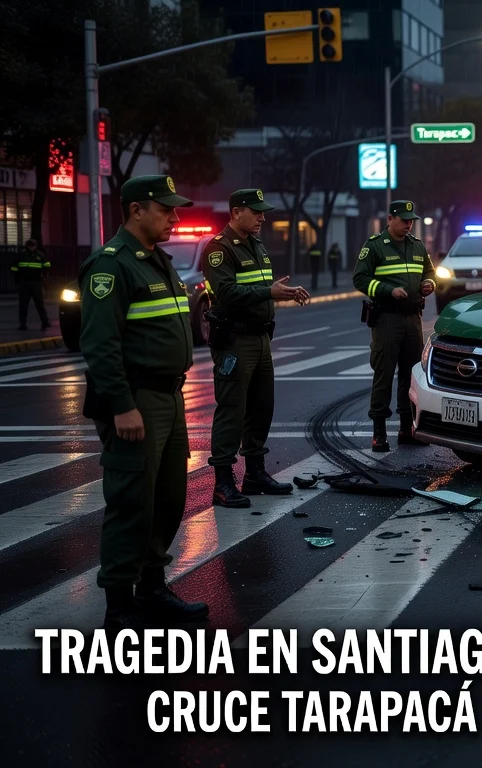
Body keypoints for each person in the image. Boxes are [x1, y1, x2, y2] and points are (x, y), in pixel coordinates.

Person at [79, 175, 207, 630]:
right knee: (132, 499)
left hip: (169, 397)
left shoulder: (158, 262)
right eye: (165, 209)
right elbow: (99, 345)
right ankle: (119, 604)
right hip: (137, 399)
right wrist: (121, 405)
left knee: (169, 498)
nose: (175, 216)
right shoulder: (111, 267)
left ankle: (152, 588)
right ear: (136, 210)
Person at [201, 189, 309, 508]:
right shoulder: (219, 249)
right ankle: (223, 483)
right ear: (236, 213)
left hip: (261, 339)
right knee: (232, 410)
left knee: (261, 408)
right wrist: (269, 293)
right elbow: (228, 292)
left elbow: (262, 289)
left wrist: (281, 293)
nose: (262, 217)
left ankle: (255, 474)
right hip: (235, 341)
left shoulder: (257, 244)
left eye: (263, 212)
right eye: (256, 212)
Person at [353, 200, 436, 452]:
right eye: (404, 220)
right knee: (384, 376)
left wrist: (429, 284)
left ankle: (406, 428)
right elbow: (360, 278)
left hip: (413, 319)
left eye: (411, 220)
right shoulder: (375, 246)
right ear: (390, 219)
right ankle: (379, 433)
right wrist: (388, 290)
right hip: (387, 319)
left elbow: (430, 272)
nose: (408, 224)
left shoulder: (417, 246)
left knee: (410, 376)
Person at [12, 238, 51, 331]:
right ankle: (23, 324)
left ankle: (45, 322)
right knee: (24, 305)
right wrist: (18, 280)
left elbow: (47, 266)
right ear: (27, 246)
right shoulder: (21, 256)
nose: (32, 247)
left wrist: (44, 277)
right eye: (30, 245)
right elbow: (14, 268)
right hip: (25, 282)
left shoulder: (40, 255)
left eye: (33, 245)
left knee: (39, 304)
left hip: (36, 282)